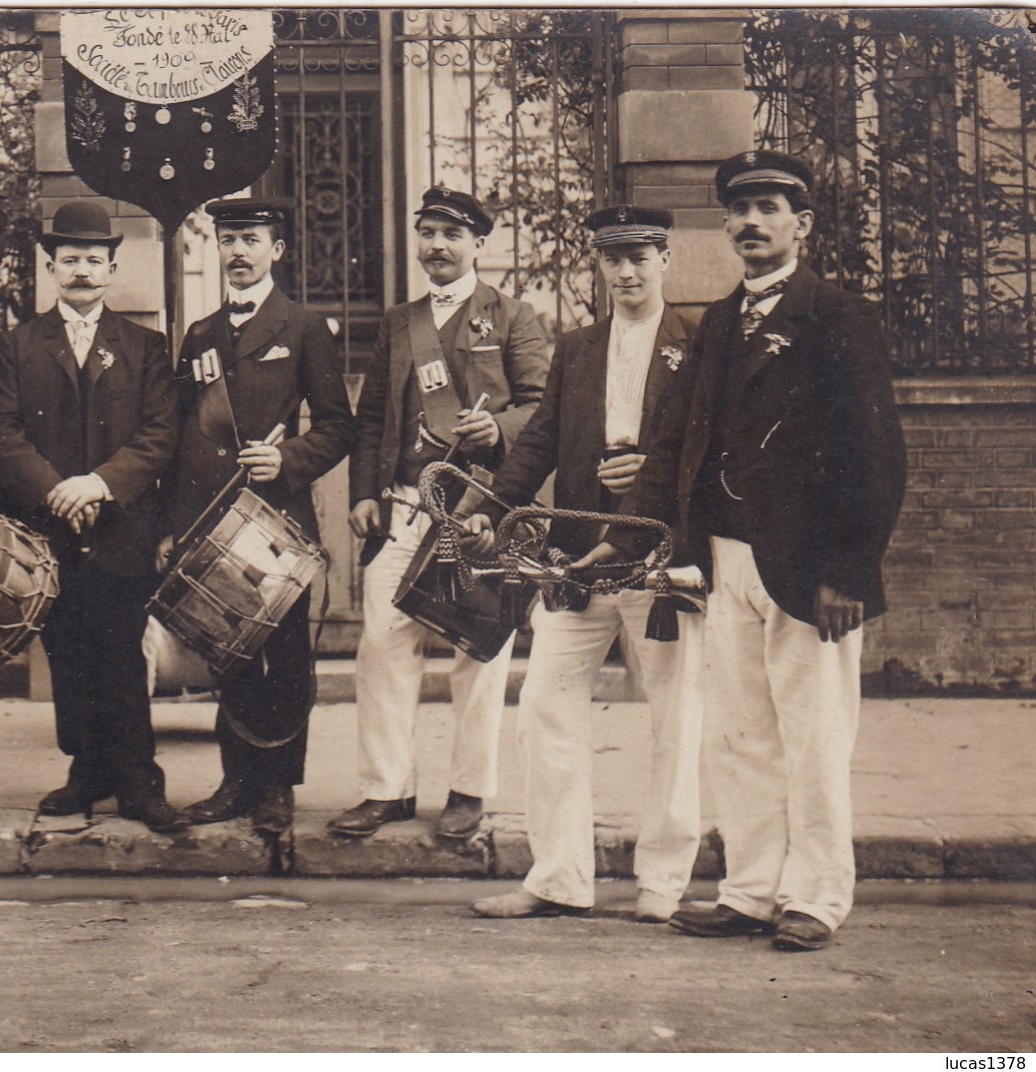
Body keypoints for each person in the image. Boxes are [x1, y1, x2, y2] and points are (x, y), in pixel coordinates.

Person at [575, 150, 906, 951]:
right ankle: (751, 890)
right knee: (740, 734)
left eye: (768, 208)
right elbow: (674, 447)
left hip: (808, 571)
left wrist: (848, 570)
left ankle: (817, 896)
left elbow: (874, 453)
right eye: (739, 209)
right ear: (723, 224)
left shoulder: (837, 314)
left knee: (815, 736)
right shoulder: (718, 321)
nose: (750, 223)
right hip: (725, 563)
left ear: (802, 225)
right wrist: (622, 541)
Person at [468, 206, 704, 924]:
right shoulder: (575, 348)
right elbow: (536, 441)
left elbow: (709, 447)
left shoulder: (696, 345)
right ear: (598, 268)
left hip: (659, 558)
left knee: (674, 718)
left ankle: (662, 881)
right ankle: (558, 876)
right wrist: (492, 507)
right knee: (543, 707)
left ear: (665, 259)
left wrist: (653, 475)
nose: (626, 273)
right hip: (576, 558)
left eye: (639, 257)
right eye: (612, 260)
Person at [338, 186, 550, 839]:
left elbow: (542, 408)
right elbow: (371, 416)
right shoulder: (400, 323)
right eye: (427, 232)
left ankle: (468, 790)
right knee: (381, 645)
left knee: (478, 653)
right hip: (404, 505)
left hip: (481, 508)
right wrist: (363, 495)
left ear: (476, 244)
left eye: (451, 234)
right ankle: (387, 788)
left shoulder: (513, 317)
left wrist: (497, 430)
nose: (437, 245)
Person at [0, 200, 186, 834]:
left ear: (111, 268)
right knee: (65, 653)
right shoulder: (19, 345)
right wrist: (54, 491)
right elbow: (4, 431)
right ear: (50, 267)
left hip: (120, 526)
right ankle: (86, 773)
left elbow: (160, 434)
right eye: (68, 260)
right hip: (49, 529)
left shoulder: (145, 347)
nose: (81, 272)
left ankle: (138, 782)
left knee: (123, 656)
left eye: (93, 261)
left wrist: (97, 485)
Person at [164, 198, 356, 836]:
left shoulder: (303, 328)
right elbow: (180, 434)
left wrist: (287, 457)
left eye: (251, 240)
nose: (238, 253)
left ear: (278, 249)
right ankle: (236, 781)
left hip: (279, 521)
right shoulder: (200, 335)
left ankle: (278, 786)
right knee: (230, 653)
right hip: (214, 523)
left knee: (285, 653)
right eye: (228, 241)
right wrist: (177, 525)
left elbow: (337, 427)